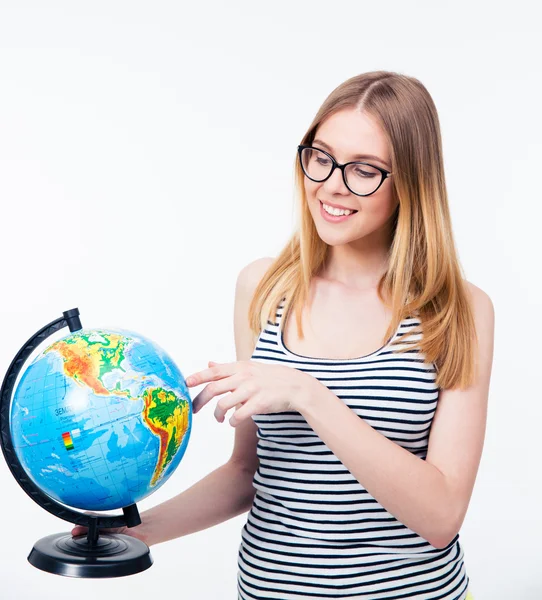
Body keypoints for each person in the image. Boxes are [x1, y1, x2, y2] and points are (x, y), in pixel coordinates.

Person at [73, 71, 493, 600]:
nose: (332, 184)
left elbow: (441, 517)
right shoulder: (265, 288)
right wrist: (132, 533)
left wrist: (309, 394)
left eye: (365, 169)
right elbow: (249, 471)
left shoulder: (460, 310)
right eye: (321, 156)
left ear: (411, 181)